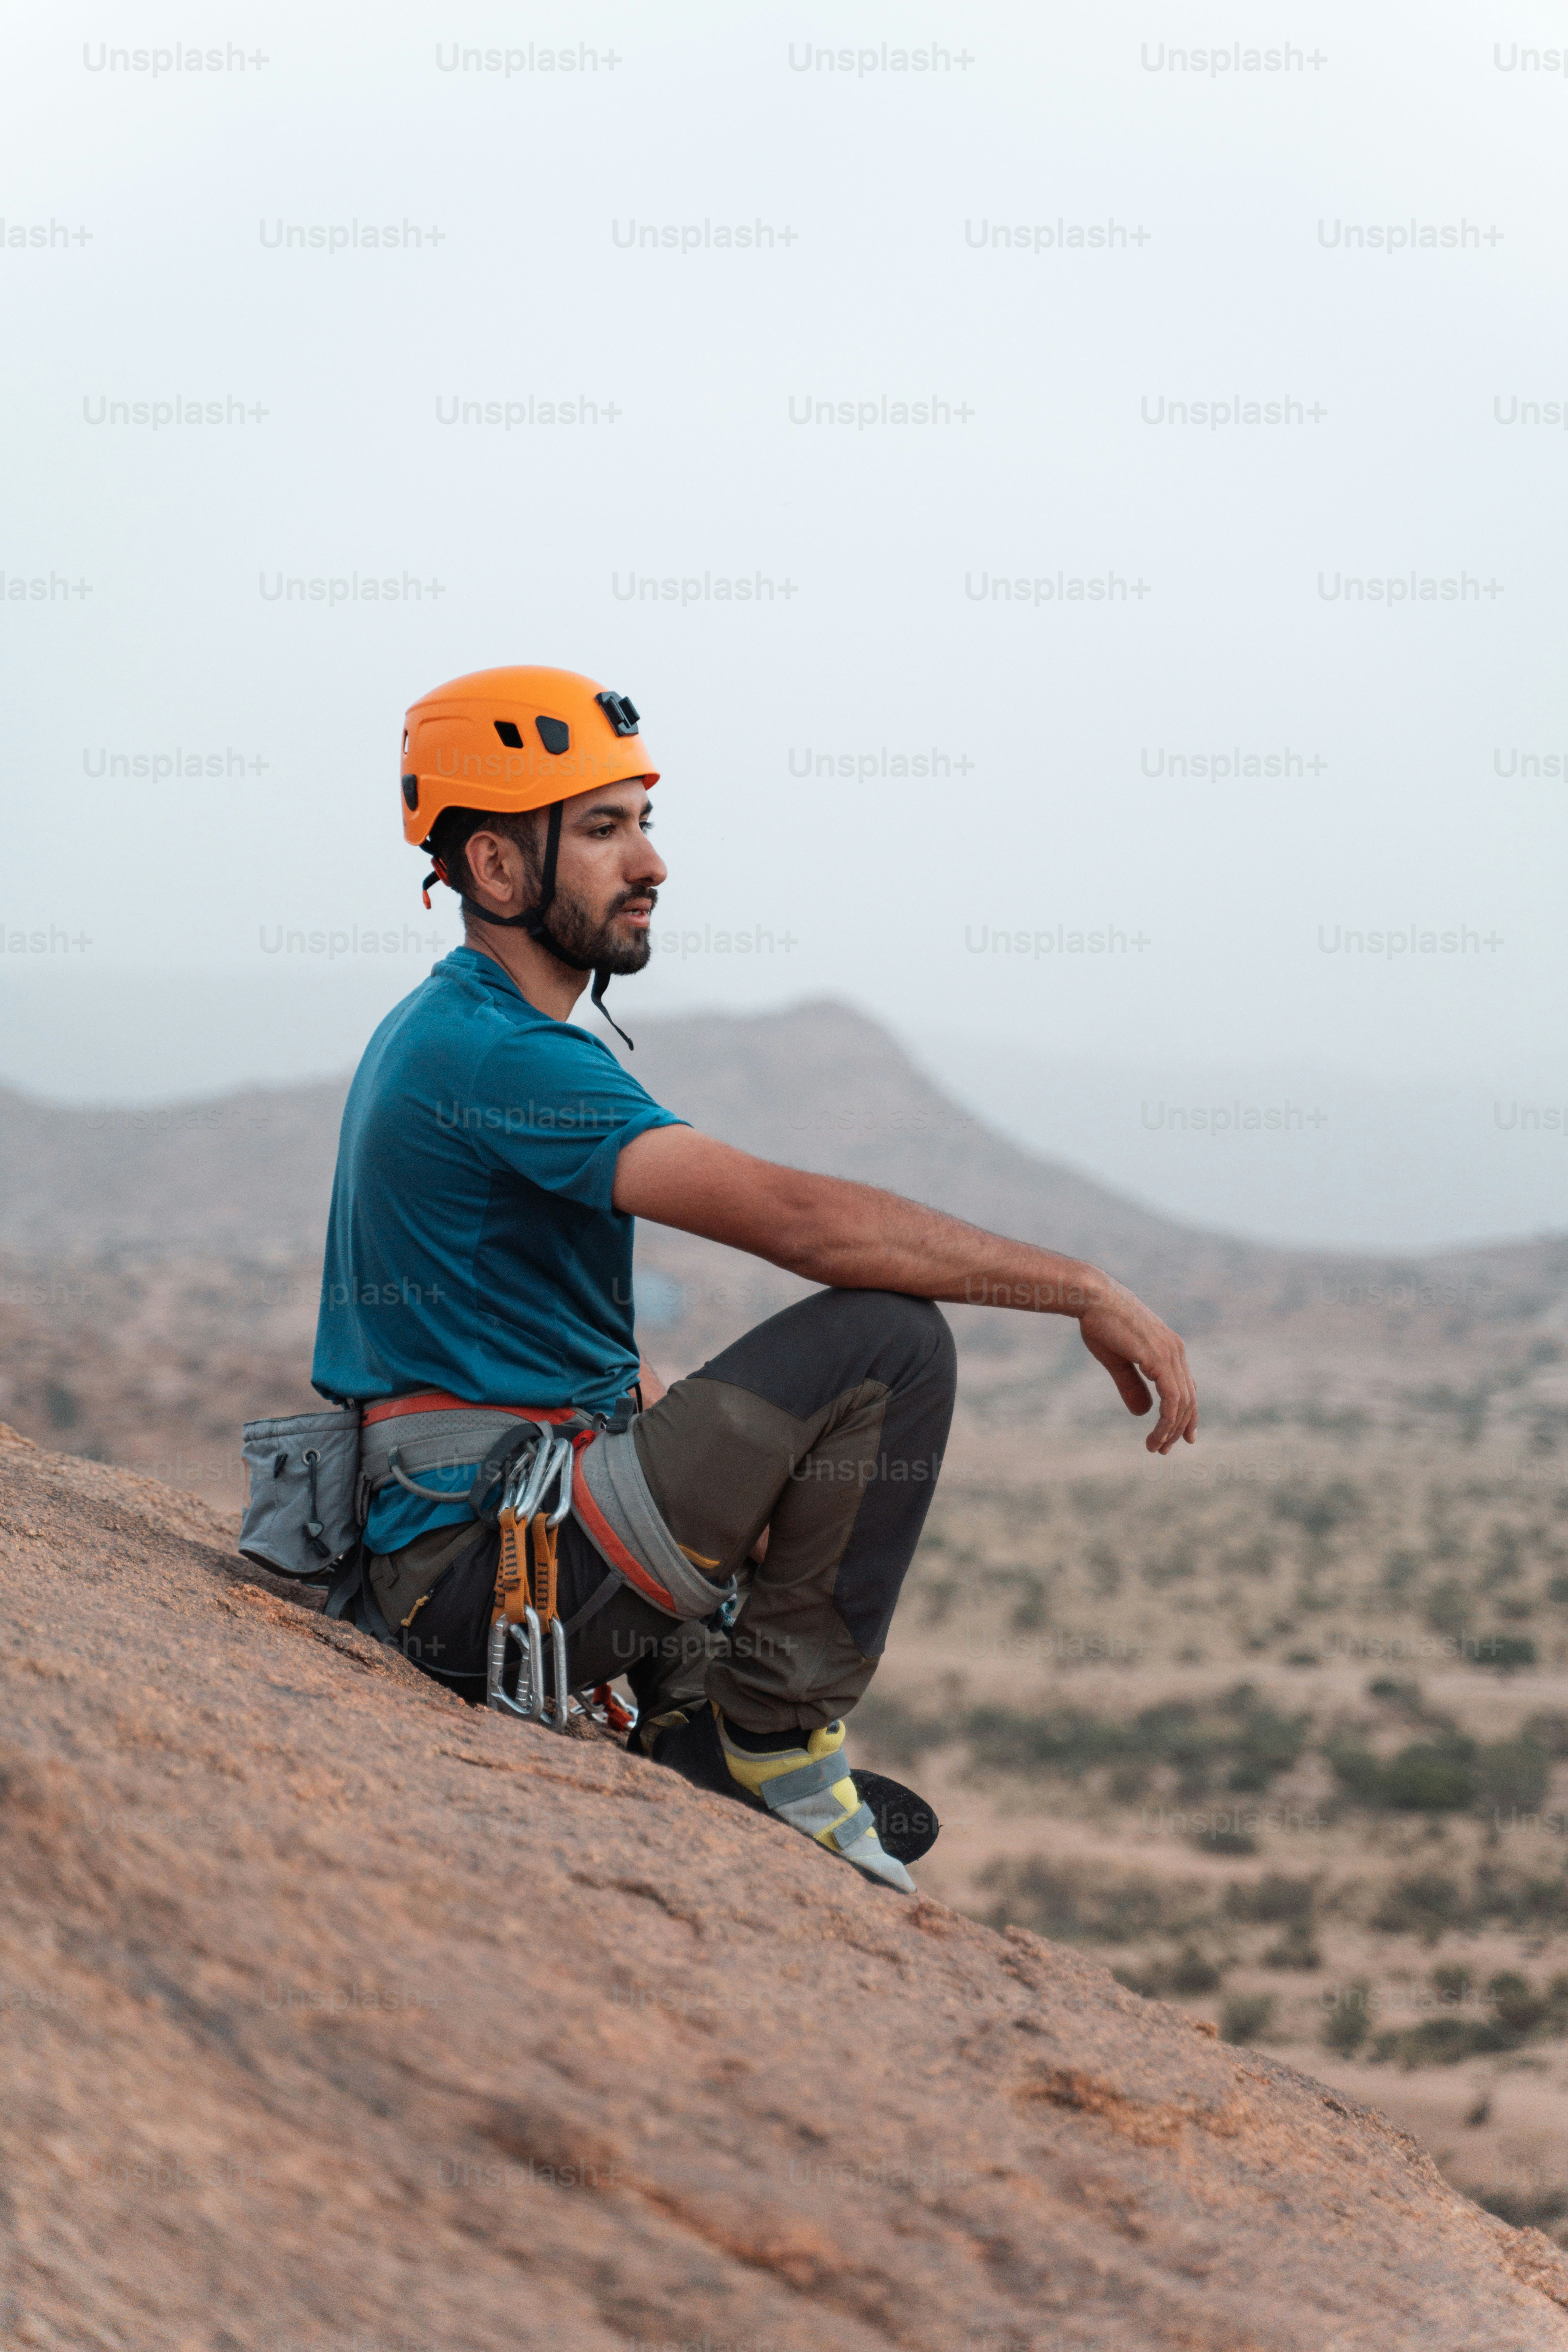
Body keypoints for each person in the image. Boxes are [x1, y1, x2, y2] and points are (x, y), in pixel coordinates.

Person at [312, 665, 1198, 1894]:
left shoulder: (455, 1031)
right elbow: (802, 1224)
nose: (652, 864)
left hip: (471, 1554)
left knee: (712, 1406)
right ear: (499, 871)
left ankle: (692, 1718)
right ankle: (773, 1736)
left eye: (646, 824)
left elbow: (541, 1354)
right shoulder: (498, 1054)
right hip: (470, 1589)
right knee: (890, 1343)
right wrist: (1081, 1286)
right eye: (604, 829)